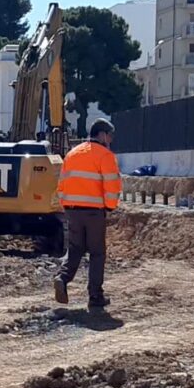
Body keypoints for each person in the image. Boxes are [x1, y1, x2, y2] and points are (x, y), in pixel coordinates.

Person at [54, 119, 123, 310]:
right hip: (94, 212)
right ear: (101, 134)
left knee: (75, 249)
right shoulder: (105, 156)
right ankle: (95, 296)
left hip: (72, 211)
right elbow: (111, 186)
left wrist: (66, 207)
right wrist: (109, 207)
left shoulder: (72, 154)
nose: (111, 139)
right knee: (97, 253)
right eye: (110, 135)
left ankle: (62, 278)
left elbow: (61, 185)